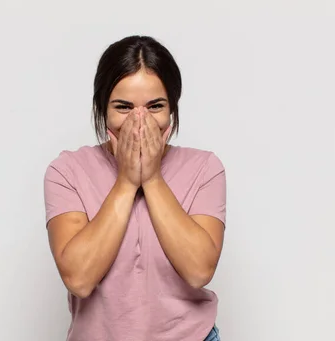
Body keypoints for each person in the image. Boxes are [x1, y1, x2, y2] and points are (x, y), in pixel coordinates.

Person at [43, 35, 226, 341]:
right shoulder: (67, 171)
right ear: (103, 110)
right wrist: (127, 180)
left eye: (155, 106)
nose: (139, 122)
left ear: (172, 111)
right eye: (124, 107)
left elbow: (199, 271)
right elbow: (79, 279)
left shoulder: (205, 169)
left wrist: (152, 178)